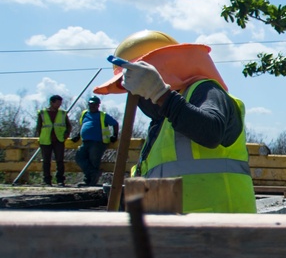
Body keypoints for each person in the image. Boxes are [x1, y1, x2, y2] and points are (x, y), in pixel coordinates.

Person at [93, 30, 255, 213]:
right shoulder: (163, 125)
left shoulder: (205, 90)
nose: (138, 98)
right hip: (178, 233)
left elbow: (211, 132)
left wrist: (161, 95)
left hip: (220, 230)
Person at [71, 95, 120, 186]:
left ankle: (91, 181)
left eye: (94, 104)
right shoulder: (85, 114)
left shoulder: (102, 115)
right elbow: (83, 125)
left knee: (94, 160)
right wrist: (78, 136)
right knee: (79, 158)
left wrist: (115, 135)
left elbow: (115, 123)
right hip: (85, 141)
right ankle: (93, 173)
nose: (92, 106)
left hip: (98, 142)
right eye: (90, 104)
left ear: (98, 105)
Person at [35, 95, 72, 186]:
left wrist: (66, 135)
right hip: (46, 139)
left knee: (60, 160)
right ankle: (47, 180)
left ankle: (60, 179)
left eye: (60, 103)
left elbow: (69, 126)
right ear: (51, 102)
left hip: (59, 139)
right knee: (46, 161)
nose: (59, 105)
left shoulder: (63, 113)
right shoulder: (42, 113)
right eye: (57, 103)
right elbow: (39, 126)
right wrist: (41, 136)